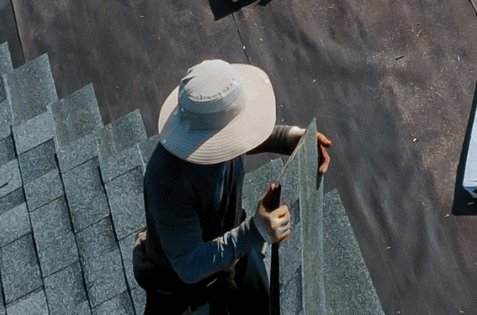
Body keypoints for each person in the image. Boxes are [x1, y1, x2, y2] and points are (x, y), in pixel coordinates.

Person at [138, 59, 335, 314]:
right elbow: (188, 265)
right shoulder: (168, 184)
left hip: (230, 239)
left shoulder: (207, 135)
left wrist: (289, 139)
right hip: (185, 283)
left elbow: (240, 138)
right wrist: (255, 232)